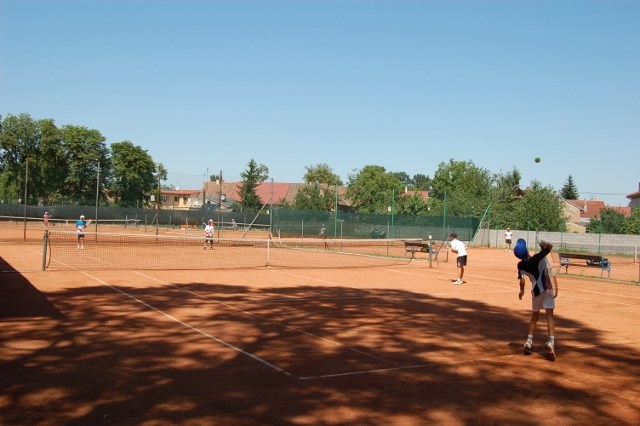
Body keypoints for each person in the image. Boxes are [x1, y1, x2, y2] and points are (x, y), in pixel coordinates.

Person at [514, 238, 558, 361]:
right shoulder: (538, 257)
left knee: (535, 316)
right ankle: (550, 342)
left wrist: (521, 291)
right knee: (549, 315)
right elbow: (550, 246)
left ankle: (529, 341)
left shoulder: (521, 265)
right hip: (547, 288)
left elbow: (522, 280)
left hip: (536, 291)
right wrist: (543, 245)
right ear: (527, 250)